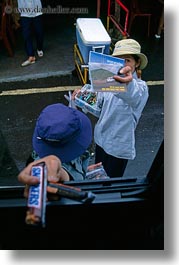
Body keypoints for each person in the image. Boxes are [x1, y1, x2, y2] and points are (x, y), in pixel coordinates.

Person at [93, 38, 149, 178]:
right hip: (101, 139)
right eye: (118, 59)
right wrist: (82, 98)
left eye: (127, 60)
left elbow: (133, 95)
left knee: (110, 185)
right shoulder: (107, 79)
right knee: (95, 178)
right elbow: (99, 108)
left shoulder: (140, 87)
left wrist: (127, 83)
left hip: (118, 146)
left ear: (137, 63)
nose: (122, 64)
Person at [18, 103, 103, 189]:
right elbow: (56, 174)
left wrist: (85, 171)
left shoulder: (47, 143)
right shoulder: (51, 172)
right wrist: (50, 174)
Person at [17, 0, 44, 66]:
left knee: (39, 32)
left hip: (36, 11)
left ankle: (39, 48)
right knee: (26, 35)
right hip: (25, 13)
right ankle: (31, 56)